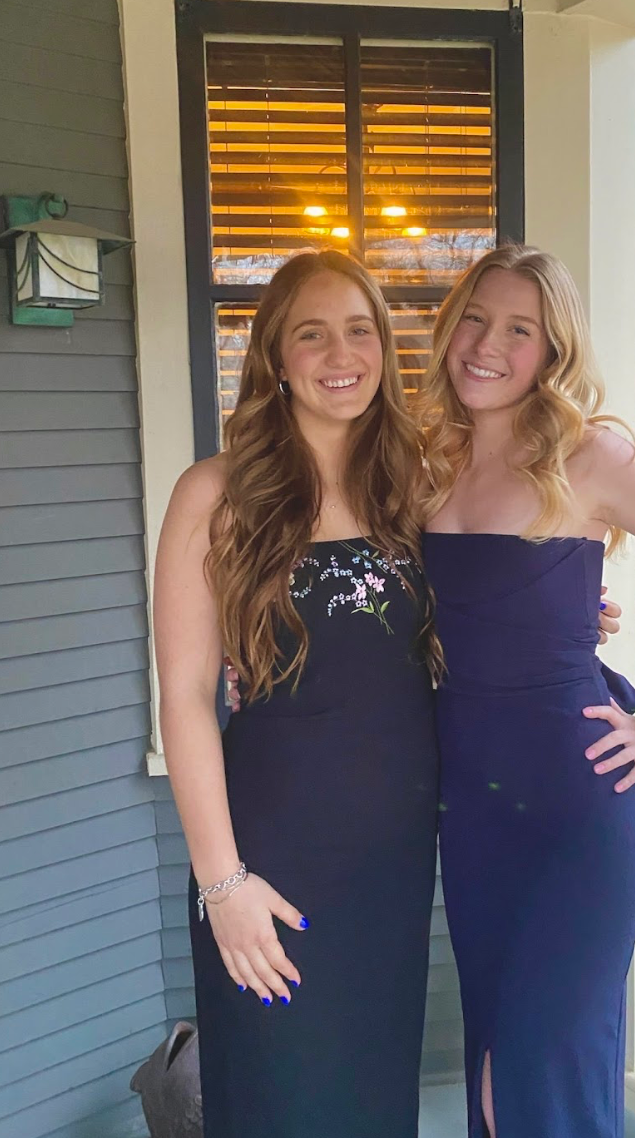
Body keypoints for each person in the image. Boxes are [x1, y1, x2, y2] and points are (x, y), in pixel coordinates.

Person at [419, 245, 635, 1138]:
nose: (487, 344)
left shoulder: (591, 457)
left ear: (552, 351)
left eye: (519, 330)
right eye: (475, 317)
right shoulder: (419, 460)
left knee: (539, 1074)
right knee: (495, 1061)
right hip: (475, 819)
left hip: (580, 809)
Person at [152, 251, 442, 1138]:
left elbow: (474, 625)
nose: (339, 352)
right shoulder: (217, 493)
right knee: (282, 1096)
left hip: (393, 857)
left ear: (386, 350)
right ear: (275, 357)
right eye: (310, 333)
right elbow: (184, 696)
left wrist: (571, 610)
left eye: (360, 330)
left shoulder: (417, 486)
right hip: (271, 858)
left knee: (372, 1093)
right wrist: (222, 884)